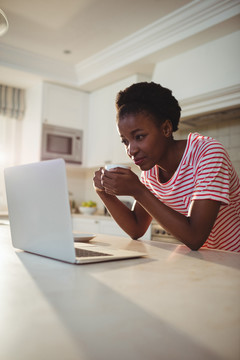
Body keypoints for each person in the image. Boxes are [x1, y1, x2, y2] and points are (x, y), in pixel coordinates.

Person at [93, 82, 240, 252]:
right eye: (125, 141)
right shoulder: (150, 171)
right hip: (205, 260)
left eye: (139, 137)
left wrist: (138, 190)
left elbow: (195, 237)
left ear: (166, 128)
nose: (131, 150)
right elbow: (136, 229)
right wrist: (103, 192)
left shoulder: (207, 153)